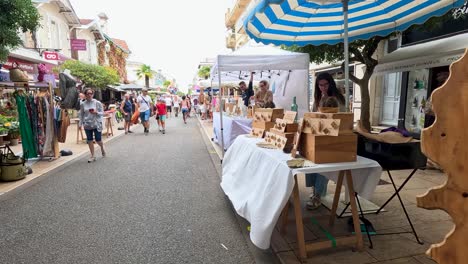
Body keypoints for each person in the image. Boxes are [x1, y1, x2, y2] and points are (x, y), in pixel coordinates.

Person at [306, 72, 346, 210]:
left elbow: (342, 119)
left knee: (323, 166)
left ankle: (318, 194)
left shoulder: (338, 98)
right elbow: (312, 116)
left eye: (325, 84)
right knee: (310, 163)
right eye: (320, 85)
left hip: (332, 138)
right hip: (318, 135)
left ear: (331, 83)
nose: (323, 87)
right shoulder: (317, 98)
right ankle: (314, 190)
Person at [79, 88, 105, 163]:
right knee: (89, 140)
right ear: (85, 95)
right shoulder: (83, 104)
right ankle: (92, 156)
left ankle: (102, 148)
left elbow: (102, 113)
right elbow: (81, 114)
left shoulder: (97, 103)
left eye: (91, 93)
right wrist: (80, 124)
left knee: (98, 140)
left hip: (96, 123)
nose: (89, 95)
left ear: (93, 94)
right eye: (88, 93)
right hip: (87, 124)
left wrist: (96, 112)